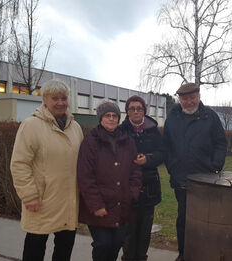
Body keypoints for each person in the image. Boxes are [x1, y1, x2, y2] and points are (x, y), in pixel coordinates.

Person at [10, 79, 84, 261]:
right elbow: (19, 163)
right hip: (42, 200)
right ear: (44, 100)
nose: (60, 102)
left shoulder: (75, 127)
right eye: (55, 98)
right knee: (35, 249)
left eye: (63, 98)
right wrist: (29, 195)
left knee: (64, 250)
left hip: (68, 201)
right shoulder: (31, 125)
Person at [162, 83, 228, 261]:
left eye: (192, 98)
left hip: (206, 180)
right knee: (183, 219)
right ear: (180, 99)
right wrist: (172, 168)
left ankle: (205, 254)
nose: (189, 102)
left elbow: (221, 143)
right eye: (185, 98)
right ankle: (184, 254)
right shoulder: (172, 117)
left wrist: (215, 166)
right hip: (181, 179)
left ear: (198, 97)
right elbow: (166, 146)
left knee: (206, 220)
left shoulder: (210, 117)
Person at [77, 101, 142, 261]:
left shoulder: (127, 141)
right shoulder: (90, 142)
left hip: (122, 204)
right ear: (100, 118)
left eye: (115, 116)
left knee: (117, 242)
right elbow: (85, 177)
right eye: (107, 116)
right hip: (101, 206)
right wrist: (96, 205)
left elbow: (135, 171)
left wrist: (132, 193)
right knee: (103, 244)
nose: (111, 119)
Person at [120, 95, 163, 261]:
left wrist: (148, 159)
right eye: (132, 109)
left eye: (139, 108)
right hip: (128, 188)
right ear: (127, 112)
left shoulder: (153, 130)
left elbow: (162, 153)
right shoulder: (121, 131)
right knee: (129, 232)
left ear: (144, 111)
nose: (136, 111)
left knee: (145, 232)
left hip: (149, 188)